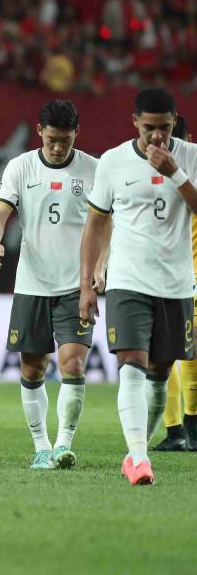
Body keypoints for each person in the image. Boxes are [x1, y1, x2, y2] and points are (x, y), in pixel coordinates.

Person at [79, 88, 197, 486]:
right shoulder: (113, 161)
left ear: (175, 121)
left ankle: (136, 452)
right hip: (128, 281)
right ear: (135, 122)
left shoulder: (191, 157)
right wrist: (86, 284)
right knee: (132, 363)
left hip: (176, 284)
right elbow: (95, 224)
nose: (157, 136)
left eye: (164, 127)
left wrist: (175, 172)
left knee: (161, 372)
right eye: (149, 128)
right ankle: (140, 459)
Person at [0, 100, 102, 470]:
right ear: (39, 131)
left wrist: (100, 268)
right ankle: (41, 446)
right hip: (32, 283)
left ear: (77, 133)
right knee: (33, 369)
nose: (57, 147)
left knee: (73, 363)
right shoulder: (20, 167)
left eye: (65, 140)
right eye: (51, 139)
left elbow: (107, 224)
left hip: (75, 285)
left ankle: (63, 443)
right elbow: (0, 212)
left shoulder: (94, 170)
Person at [152, 115, 197, 452]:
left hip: (163, 274)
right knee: (182, 353)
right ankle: (185, 428)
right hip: (181, 275)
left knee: (166, 353)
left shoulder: (153, 178)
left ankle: (176, 430)